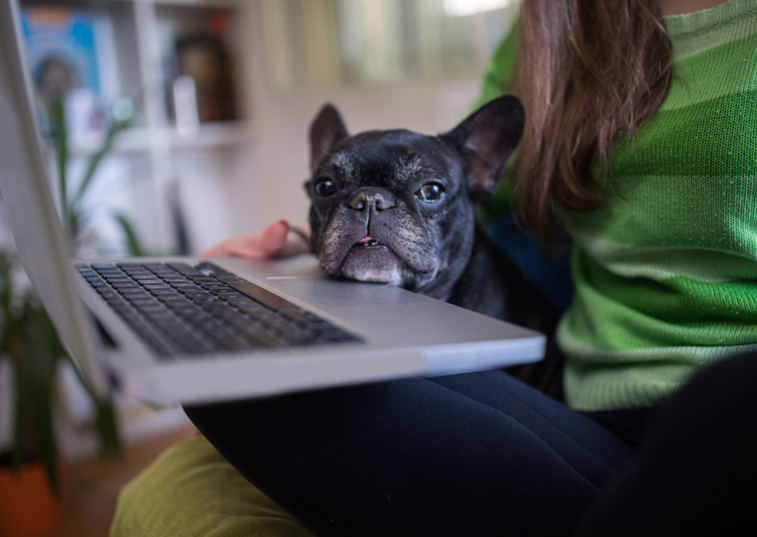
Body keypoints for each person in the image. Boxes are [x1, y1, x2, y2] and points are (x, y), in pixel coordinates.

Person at [113, 1, 757, 535]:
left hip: (719, 420)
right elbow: (485, 207)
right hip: (587, 424)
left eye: (420, 193)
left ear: (481, 164)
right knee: (216, 348)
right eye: (336, 192)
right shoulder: (558, 25)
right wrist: (282, 265)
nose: (368, 209)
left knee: (728, 398)